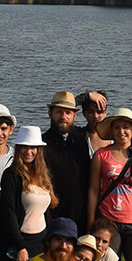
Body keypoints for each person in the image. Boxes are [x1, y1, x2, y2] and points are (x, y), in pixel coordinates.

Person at [87, 108, 132, 260]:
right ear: (111, 130)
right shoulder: (101, 155)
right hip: (108, 220)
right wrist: (91, 223)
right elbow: (93, 190)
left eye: (126, 127)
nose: (121, 132)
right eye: (116, 127)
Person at [0, 124, 57, 261]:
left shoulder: (43, 174)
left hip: (41, 241)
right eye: (24, 147)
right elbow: (8, 212)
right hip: (20, 242)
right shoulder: (11, 175)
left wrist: (50, 239)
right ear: (18, 149)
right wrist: (20, 246)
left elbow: (45, 211)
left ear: (39, 150)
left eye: (33, 147)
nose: (28, 151)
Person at [43, 92, 93, 231]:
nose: (63, 116)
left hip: (80, 215)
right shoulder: (42, 144)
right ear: (50, 114)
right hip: (52, 216)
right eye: (59, 112)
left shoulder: (81, 141)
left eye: (68, 113)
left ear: (74, 116)